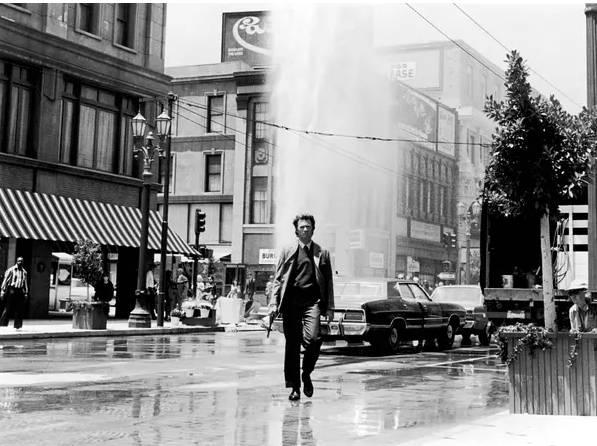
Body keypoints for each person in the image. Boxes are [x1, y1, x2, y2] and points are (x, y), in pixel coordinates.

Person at [272, 213, 334, 401]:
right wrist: (273, 304)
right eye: (302, 227)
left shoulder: (322, 253)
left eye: (308, 227)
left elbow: (328, 282)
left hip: (312, 302)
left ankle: (306, 373)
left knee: (314, 339)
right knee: (292, 346)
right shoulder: (287, 250)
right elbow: (278, 279)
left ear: (313, 230)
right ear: (296, 231)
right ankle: (295, 387)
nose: (305, 229)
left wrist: (330, 307)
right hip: (291, 303)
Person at [0, 257, 29, 329]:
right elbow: (5, 280)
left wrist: (26, 293)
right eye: (19, 261)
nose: (20, 262)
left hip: (19, 290)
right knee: (8, 307)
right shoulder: (11, 270)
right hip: (12, 289)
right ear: (16, 261)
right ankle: (3, 324)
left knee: (19, 308)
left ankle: (17, 325)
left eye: (21, 261)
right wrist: (2, 291)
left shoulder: (24, 272)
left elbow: (25, 283)